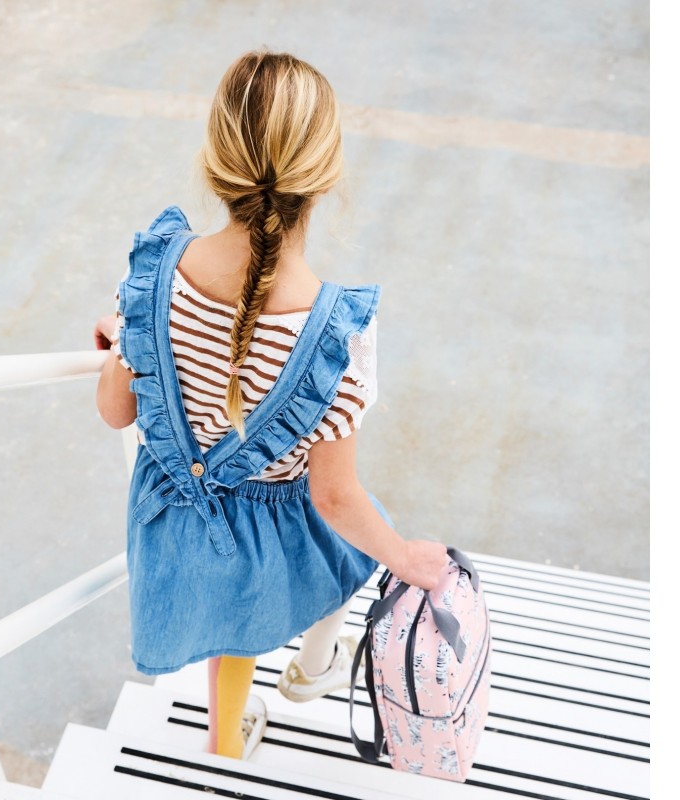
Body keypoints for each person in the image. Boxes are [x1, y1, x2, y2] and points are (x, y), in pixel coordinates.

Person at [94, 50, 447, 761]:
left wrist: (126, 345)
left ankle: (225, 746)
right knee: (358, 543)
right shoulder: (339, 335)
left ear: (214, 160)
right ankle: (313, 671)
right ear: (327, 174)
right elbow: (335, 497)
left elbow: (116, 413)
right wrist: (404, 558)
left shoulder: (155, 276)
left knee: (232, 639)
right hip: (269, 532)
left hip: (174, 526)